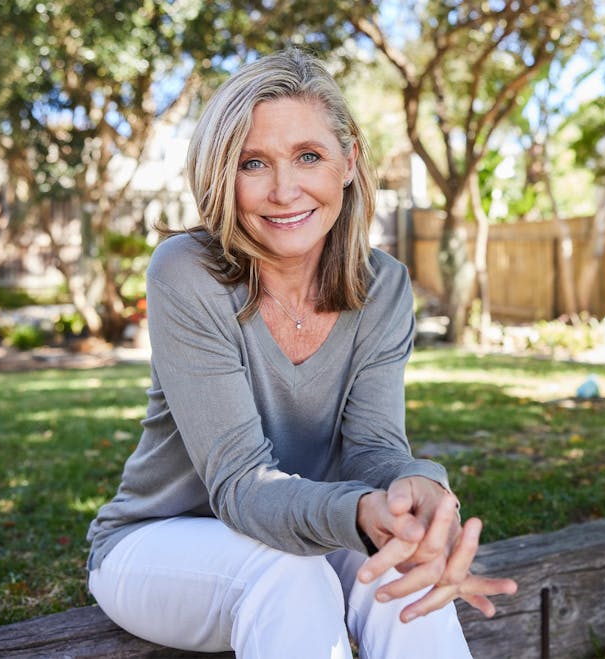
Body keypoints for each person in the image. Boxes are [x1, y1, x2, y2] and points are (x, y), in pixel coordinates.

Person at [86, 48, 517, 659]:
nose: (284, 190)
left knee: (398, 567)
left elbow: (374, 450)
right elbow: (240, 483)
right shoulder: (187, 271)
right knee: (288, 573)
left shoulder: (383, 285)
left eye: (308, 156)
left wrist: (419, 492)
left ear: (348, 162)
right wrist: (362, 510)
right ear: (221, 175)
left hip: (306, 530)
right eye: (252, 163)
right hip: (160, 543)